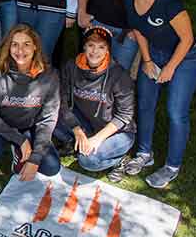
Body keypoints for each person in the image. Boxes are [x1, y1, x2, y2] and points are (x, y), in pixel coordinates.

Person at [118, 0, 196, 189]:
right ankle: (145, 153)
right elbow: (139, 30)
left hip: (185, 57)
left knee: (176, 111)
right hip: (155, 52)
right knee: (145, 103)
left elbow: (186, 39)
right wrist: (146, 60)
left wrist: (170, 68)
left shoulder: (169, 2)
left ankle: (172, 166)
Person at [0, 24, 61, 197]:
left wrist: (35, 158)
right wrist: (20, 140)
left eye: (26, 44)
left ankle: (19, 153)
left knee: (51, 167)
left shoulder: (49, 75)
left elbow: (48, 119)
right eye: (15, 44)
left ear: (35, 46)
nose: (20, 50)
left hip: (27, 126)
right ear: (8, 47)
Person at [54, 26, 136, 179]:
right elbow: (63, 100)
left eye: (101, 47)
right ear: (84, 46)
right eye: (91, 45)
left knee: (87, 160)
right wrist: (76, 129)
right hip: (87, 123)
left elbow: (125, 115)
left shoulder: (119, 75)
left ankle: (120, 159)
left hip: (117, 131)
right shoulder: (71, 66)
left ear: (108, 50)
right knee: (49, 114)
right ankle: (77, 142)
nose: (95, 51)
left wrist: (98, 139)